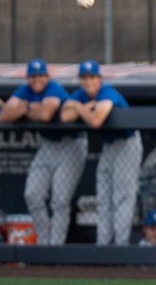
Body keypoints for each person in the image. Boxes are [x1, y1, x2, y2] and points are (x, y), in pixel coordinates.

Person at [0, 59, 85, 245]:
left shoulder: (54, 88)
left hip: (71, 144)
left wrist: (23, 108)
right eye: (33, 76)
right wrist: (29, 107)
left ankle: (56, 246)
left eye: (41, 75)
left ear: (47, 76)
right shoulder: (25, 90)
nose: (37, 79)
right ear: (28, 78)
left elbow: (45, 115)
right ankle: (44, 242)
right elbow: (4, 115)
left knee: (60, 200)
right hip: (48, 145)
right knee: (32, 194)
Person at [61, 60, 143, 246]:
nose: (88, 82)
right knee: (104, 197)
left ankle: (121, 245)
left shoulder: (107, 92)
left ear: (99, 79)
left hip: (127, 143)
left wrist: (79, 107)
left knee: (122, 196)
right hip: (109, 145)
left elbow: (96, 120)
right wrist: (84, 107)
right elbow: (65, 116)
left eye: (92, 77)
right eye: (84, 78)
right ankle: (103, 244)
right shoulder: (81, 94)